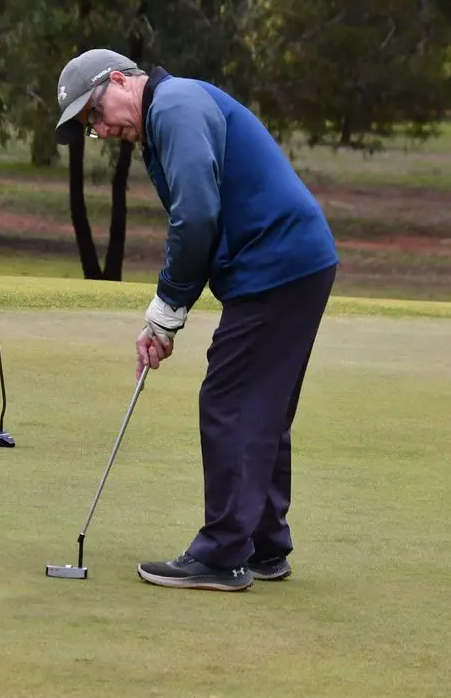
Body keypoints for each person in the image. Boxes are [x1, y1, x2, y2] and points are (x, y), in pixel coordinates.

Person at [53, 49, 338, 591]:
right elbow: (202, 220)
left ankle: (225, 552)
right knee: (263, 405)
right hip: (292, 262)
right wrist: (167, 316)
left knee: (229, 401)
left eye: (95, 111)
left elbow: (197, 217)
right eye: (90, 126)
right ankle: (263, 544)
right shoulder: (168, 117)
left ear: (119, 79)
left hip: (277, 263)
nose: (100, 128)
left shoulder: (174, 107)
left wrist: (165, 311)